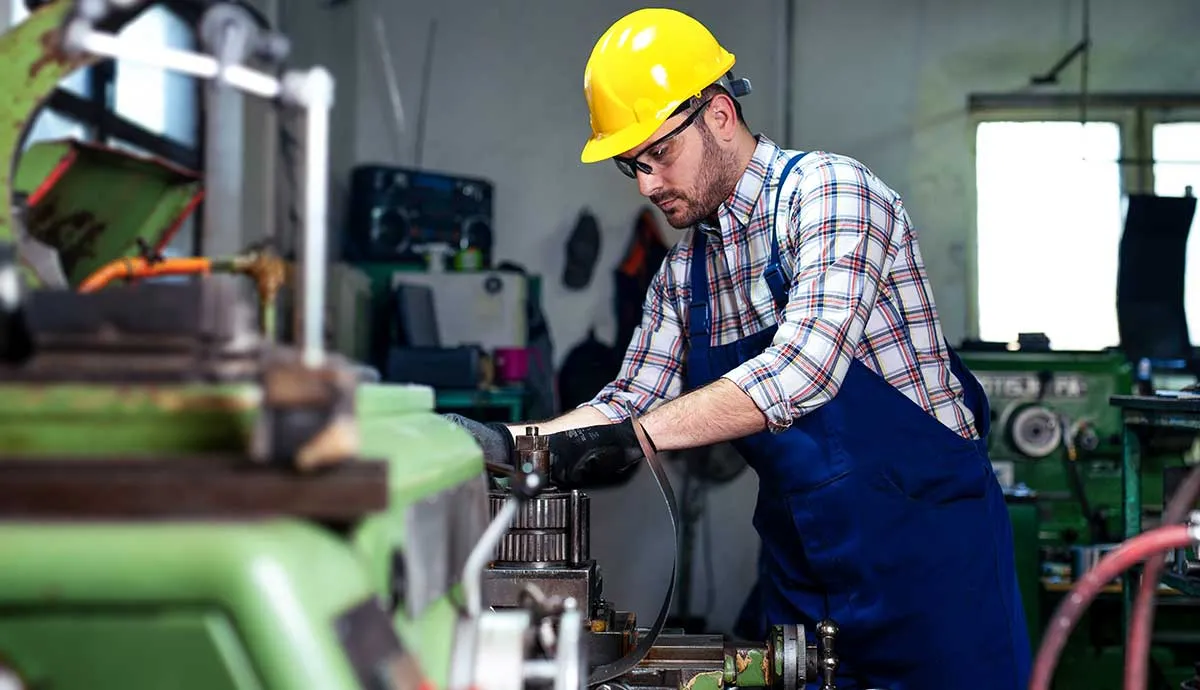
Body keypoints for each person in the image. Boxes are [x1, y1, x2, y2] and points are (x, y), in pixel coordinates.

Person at [445, 8, 1031, 689]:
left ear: (719, 115)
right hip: (805, 573)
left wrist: (632, 435)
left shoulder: (832, 196)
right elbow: (627, 400)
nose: (646, 184)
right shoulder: (682, 272)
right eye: (631, 166)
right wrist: (505, 440)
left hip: (930, 571)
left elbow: (800, 372)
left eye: (658, 154)